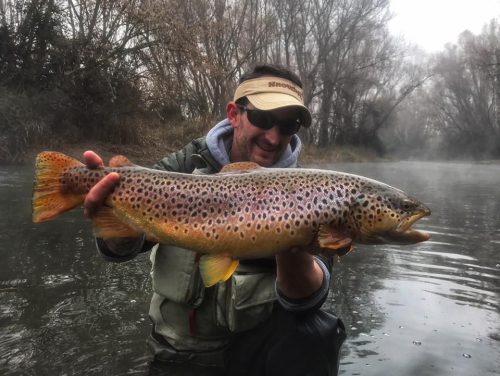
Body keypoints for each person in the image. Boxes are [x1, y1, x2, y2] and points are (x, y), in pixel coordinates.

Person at [83, 64, 346, 375]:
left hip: (256, 356)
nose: (274, 138)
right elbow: (121, 249)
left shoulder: (314, 192)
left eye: (288, 127)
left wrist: (292, 243)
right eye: (263, 118)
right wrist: (114, 226)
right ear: (234, 114)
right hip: (179, 353)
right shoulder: (186, 164)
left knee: (315, 335)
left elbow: (307, 300)